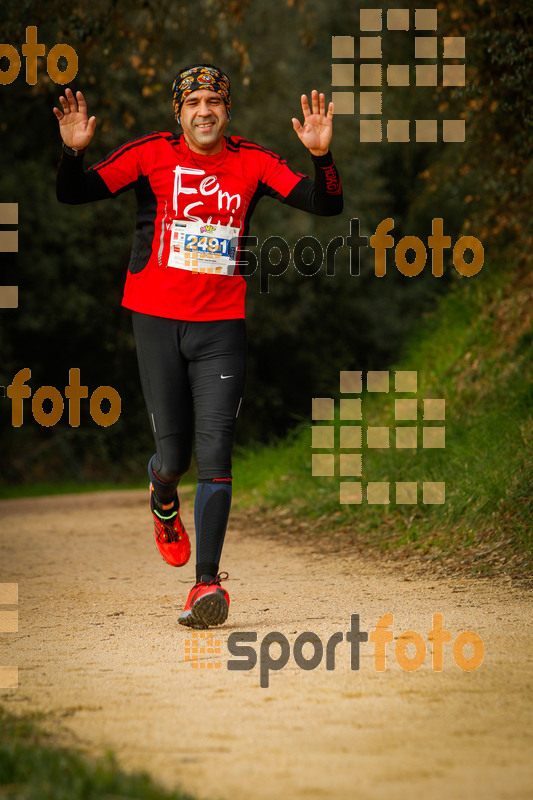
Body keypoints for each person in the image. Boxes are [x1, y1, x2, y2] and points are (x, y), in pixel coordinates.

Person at [54, 64, 343, 629]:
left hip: (221, 326)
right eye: (194, 103)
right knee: (176, 457)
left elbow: (325, 204)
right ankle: (162, 489)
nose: (204, 111)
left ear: (227, 111)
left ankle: (206, 586)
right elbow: (74, 194)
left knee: (216, 453)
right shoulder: (149, 155)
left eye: (214, 101)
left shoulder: (252, 161)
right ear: (178, 112)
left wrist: (322, 156)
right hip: (156, 319)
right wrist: (72, 153)